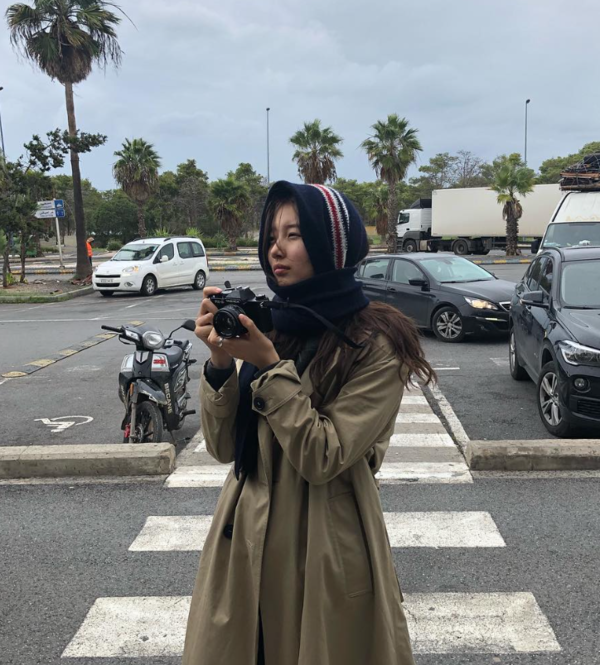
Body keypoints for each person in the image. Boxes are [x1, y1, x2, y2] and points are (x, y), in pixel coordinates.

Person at [183, 181, 435, 665]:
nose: (275, 249)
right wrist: (220, 362)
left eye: (294, 234)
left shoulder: (375, 343)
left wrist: (269, 365)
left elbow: (324, 456)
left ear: (330, 244)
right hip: (245, 533)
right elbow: (223, 448)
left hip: (323, 541)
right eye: (271, 235)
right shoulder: (272, 322)